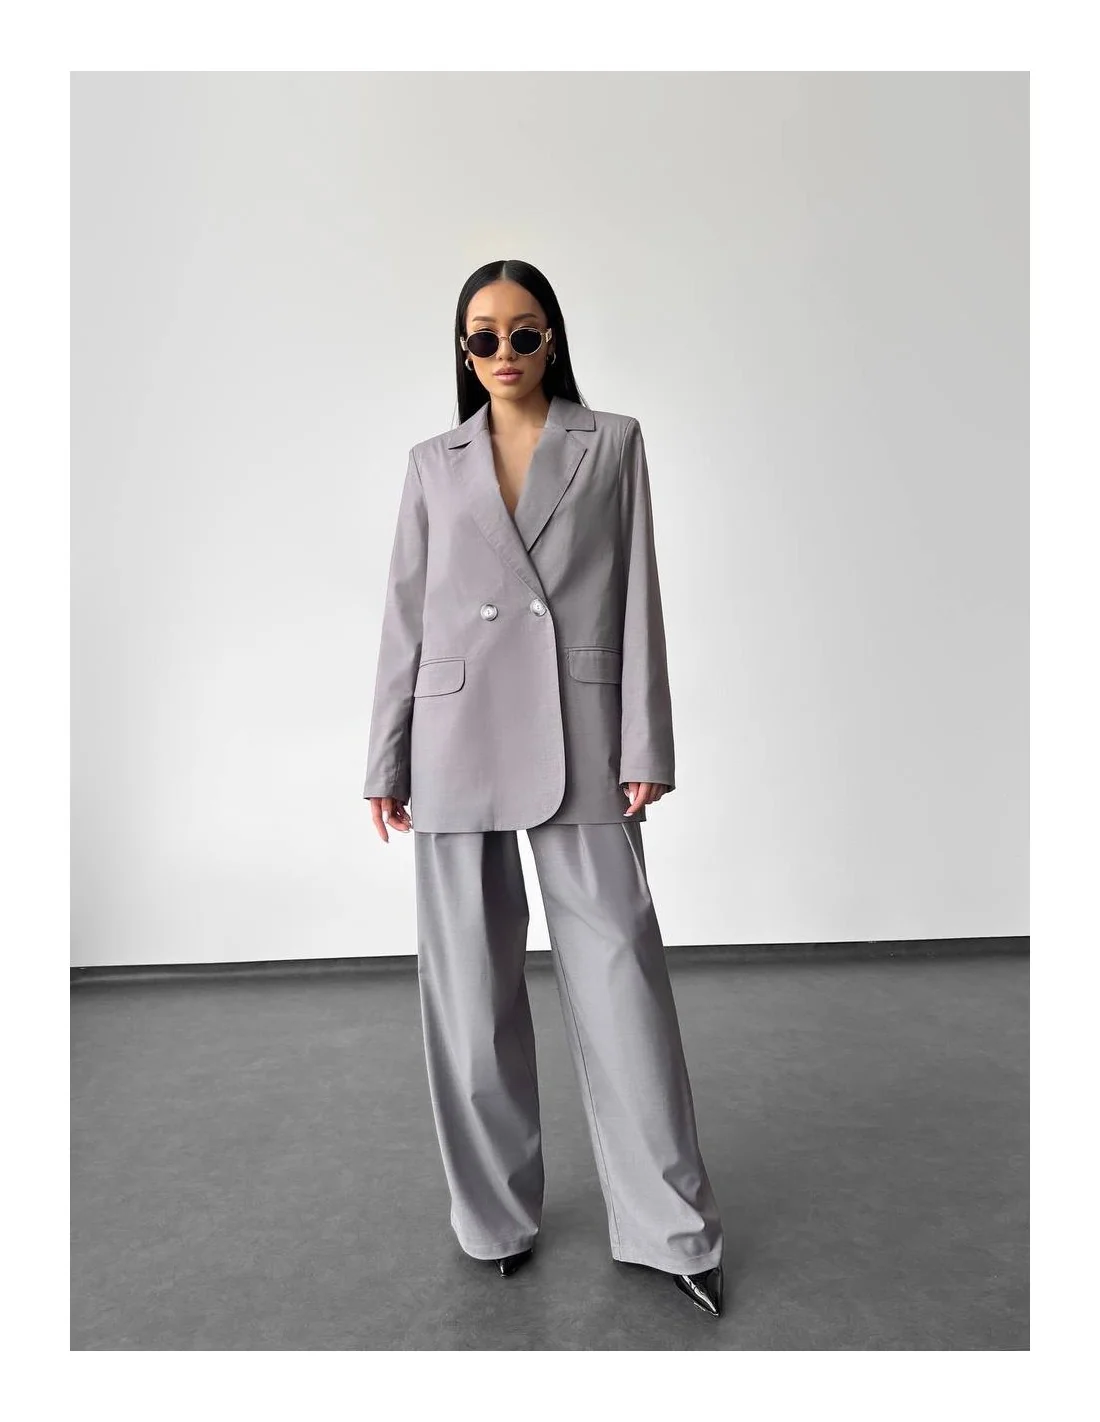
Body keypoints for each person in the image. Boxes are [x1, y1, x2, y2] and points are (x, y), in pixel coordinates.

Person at [362, 259, 724, 1318]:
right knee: (469, 996)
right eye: (483, 337)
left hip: (583, 735)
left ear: (552, 338)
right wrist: (385, 760)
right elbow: (404, 616)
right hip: (453, 738)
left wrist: (645, 739)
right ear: (463, 350)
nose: (505, 353)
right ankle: (493, 1220)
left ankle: (670, 1229)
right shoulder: (433, 463)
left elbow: (639, 595)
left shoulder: (611, 443)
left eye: (524, 333)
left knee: (622, 984)